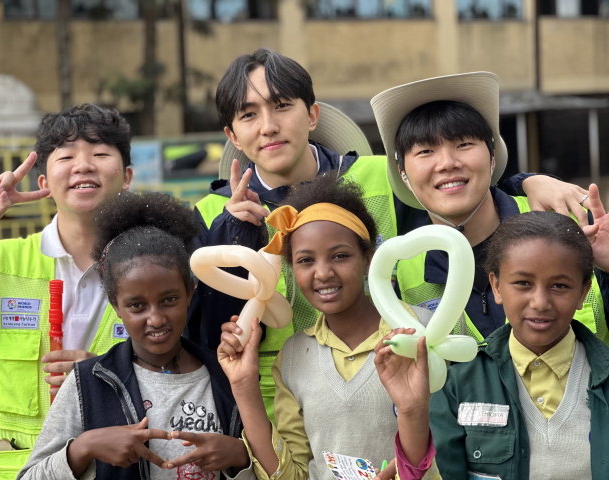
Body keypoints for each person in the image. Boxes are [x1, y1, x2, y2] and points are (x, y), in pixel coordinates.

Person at [189, 50, 585, 422]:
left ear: (311, 115)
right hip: (276, 412)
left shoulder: (380, 177)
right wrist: (234, 231)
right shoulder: (209, 214)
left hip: (390, 397)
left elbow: (456, 197)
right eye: (248, 114)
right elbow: (209, 333)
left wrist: (527, 182)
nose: (268, 125)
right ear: (233, 135)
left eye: (281, 106)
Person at [18, 191, 254, 480]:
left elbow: (275, 466)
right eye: (137, 306)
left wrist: (242, 457)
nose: (155, 318)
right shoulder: (87, 382)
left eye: (169, 300)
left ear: (190, 292)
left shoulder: (225, 376)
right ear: (116, 306)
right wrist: (84, 447)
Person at [217, 174, 437, 480]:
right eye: (306, 260)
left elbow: (452, 447)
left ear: (369, 259)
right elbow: (291, 474)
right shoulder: (293, 356)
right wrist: (243, 387)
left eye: (341, 256)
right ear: (292, 268)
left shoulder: (423, 333)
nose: (322, 273)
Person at [375, 197, 609, 479]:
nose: (540, 302)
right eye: (523, 283)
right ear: (496, 287)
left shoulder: (602, 376)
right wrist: (412, 411)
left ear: (583, 292)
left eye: (559, 285)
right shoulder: (458, 384)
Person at [370, 72, 609, 345]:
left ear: (492, 157)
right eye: (425, 151)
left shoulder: (569, 222)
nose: (447, 163)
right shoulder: (406, 270)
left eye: (464, 145)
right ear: (403, 175)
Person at [0, 104, 133, 477]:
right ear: (43, 182)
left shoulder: (155, 269)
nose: (83, 165)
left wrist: (109, 377)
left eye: (100, 153)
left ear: (126, 176)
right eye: (66, 155)